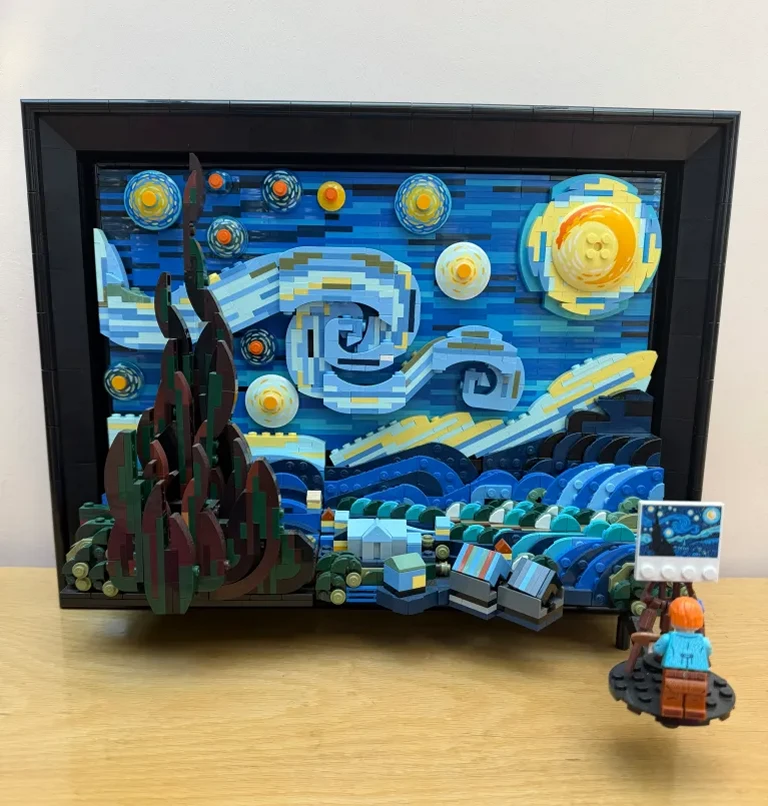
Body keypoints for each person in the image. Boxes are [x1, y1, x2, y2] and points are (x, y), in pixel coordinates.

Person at [654, 596, 712, 720]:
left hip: (673, 671)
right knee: (696, 693)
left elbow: (657, 650)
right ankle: (695, 710)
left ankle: (671, 709)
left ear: (672, 620)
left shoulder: (667, 638)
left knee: (672, 692)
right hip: (698, 672)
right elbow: (708, 651)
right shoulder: (704, 641)